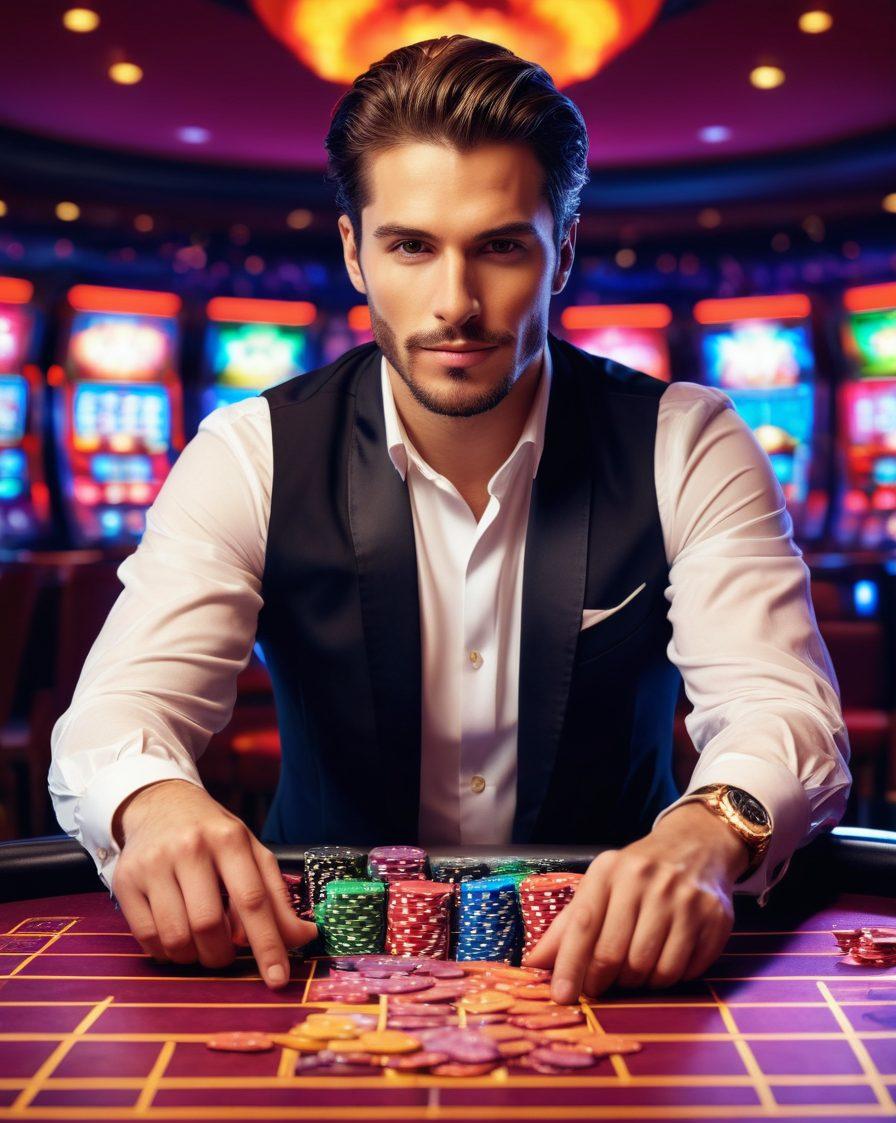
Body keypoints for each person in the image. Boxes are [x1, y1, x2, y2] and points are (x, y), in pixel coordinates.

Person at [49, 34, 851, 1004]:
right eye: (410, 246)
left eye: (501, 246)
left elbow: (781, 710)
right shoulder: (249, 453)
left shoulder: (683, 441)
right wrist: (154, 803)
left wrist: (704, 836)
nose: (455, 303)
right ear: (353, 252)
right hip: (315, 962)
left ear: (561, 253)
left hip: (614, 965)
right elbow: (112, 719)